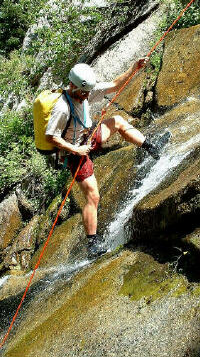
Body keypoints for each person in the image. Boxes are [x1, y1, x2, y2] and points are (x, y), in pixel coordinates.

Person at [45, 59, 162, 258]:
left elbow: (116, 85)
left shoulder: (86, 91)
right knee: (93, 196)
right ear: (72, 86)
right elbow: (51, 136)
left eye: (88, 92)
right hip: (74, 153)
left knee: (118, 122)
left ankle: (152, 148)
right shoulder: (62, 108)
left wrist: (134, 67)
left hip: (88, 136)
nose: (86, 96)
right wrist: (76, 149)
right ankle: (93, 245)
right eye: (83, 93)